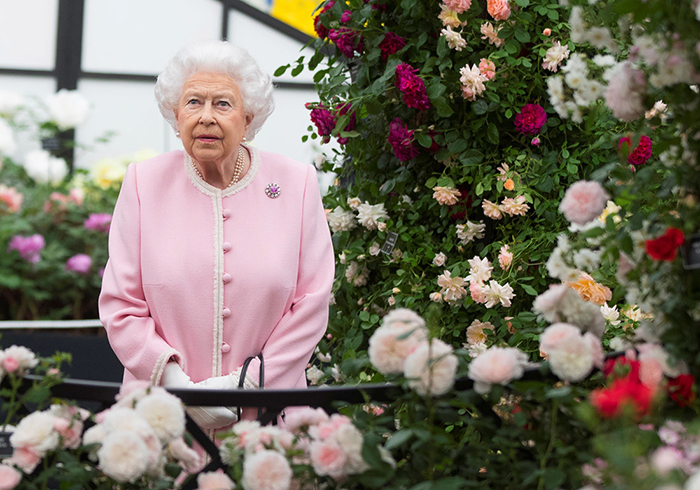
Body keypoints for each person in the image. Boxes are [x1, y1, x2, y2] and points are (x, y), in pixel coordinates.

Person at [99, 41, 335, 429]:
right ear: (175, 116)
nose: (206, 117)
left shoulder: (297, 184)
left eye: (222, 104)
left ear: (249, 117)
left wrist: (240, 387)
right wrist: (178, 387)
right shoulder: (143, 183)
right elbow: (121, 305)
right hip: (164, 418)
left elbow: (311, 306)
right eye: (194, 102)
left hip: (268, 421)